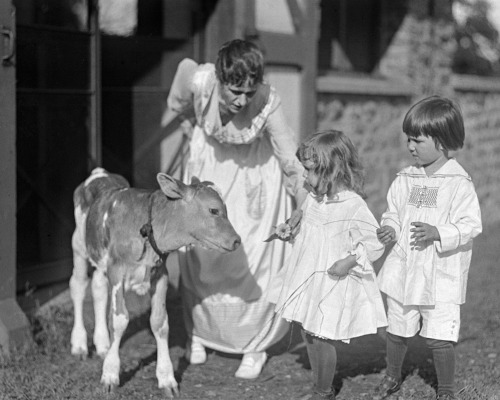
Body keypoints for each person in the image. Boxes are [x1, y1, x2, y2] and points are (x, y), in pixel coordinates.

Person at [160, 39, 308, 379]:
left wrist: (302, 203)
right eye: (234, 91)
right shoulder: (197, 79)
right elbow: (179, 102)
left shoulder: (268, 101)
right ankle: (200, 332)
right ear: (219, 78)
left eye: (248, 91)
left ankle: (253, 344)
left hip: (252, 179)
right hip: (208, 166)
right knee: (200, 253)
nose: (241, 100)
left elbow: (289, 156)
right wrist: (191, 124)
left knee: (252, 252)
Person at [374, 96, 482, 400]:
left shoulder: (459, 184)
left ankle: (446, 390)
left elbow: (470, 225)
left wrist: (438, 233)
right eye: (408, 139)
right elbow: (392, 212)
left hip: (439, 271)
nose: (410, 146)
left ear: (441, 141)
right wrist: (390, 229)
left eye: (417, 140)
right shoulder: (405, 179)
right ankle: (392, 375)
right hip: (405, 266)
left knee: (440, 334)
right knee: (397, 325)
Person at [272, 130, 387, 400]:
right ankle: (319, 384)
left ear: (332, 171)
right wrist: (290, 230)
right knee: (308, 331)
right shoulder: (315, 200)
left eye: (309, 170)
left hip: (333, 279)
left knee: (322, 334)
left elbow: (374, 243)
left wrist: (350, 261)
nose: (304, 177)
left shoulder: (352, 205)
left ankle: (323, 390)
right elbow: (310, 235)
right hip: (310, 276)